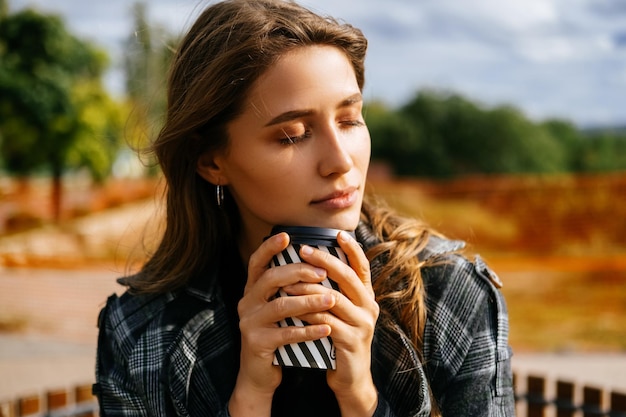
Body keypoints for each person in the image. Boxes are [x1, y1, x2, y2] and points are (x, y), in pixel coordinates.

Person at [94, 0, 515, 416]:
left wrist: (361, 397)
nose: (340, 161)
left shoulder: (450, 296)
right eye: (292, 135)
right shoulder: (141, 332)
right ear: (211, 162)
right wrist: (248, 401)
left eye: (350, 120)